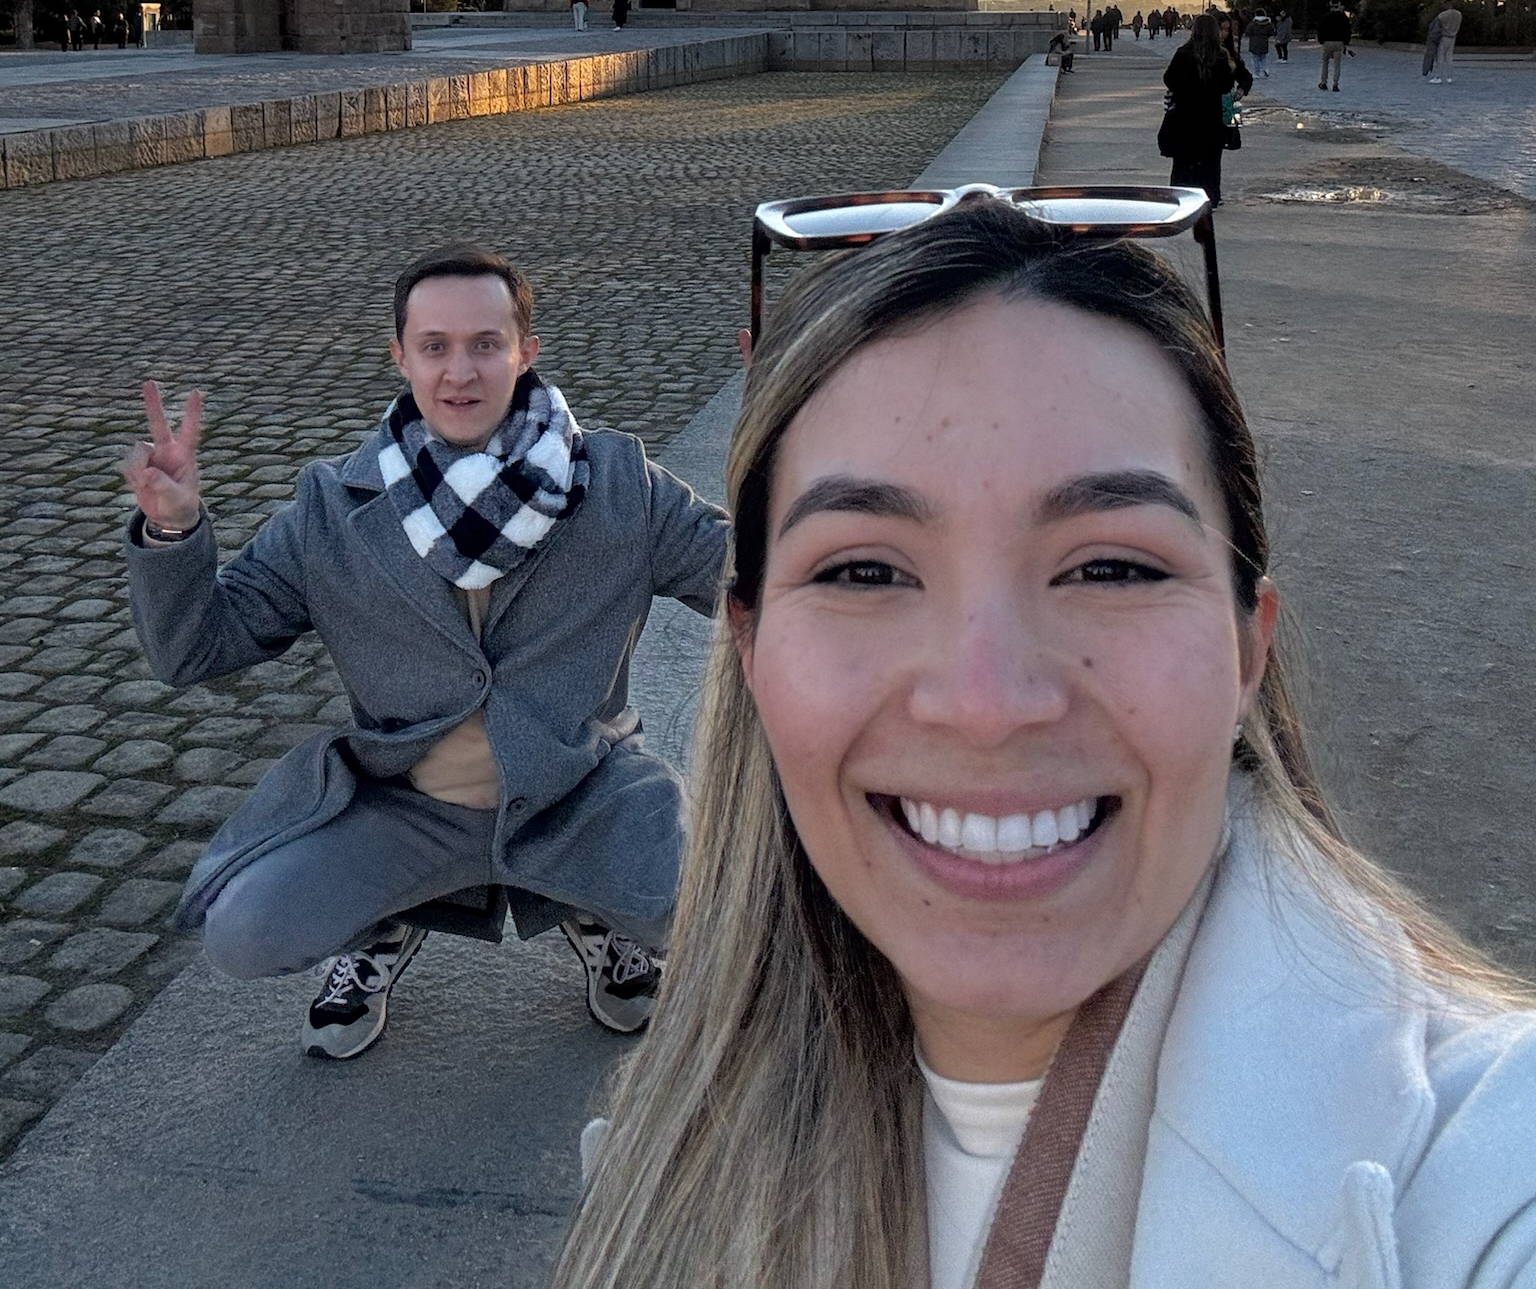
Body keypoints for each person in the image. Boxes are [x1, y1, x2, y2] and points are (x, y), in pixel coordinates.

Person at [550, 197, 1536, 1289]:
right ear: (749, 644)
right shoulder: (662, 1157)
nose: (987, 703)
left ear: (1246, 647)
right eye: (864, 571)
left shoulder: (1479, 1176)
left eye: (1111, 567)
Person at [121, 242, 729, 1060]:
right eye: (435, 346)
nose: (459, 371)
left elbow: (752, 579)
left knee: (722, 912)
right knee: (244, 931)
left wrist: (792, 433)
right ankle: (389, 914)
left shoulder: (620, 482)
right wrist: (173, 530)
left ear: (525, 351)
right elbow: (197, 647)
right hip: (407, 804)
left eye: (486, 343)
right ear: (400, 356)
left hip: (576, 792)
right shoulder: (333, 506)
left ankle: (597, 907)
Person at [1158, 10, 1250, 211]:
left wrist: (1185, 88)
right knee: (1211, 161)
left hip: (1185, 114)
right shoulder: (1221, 55)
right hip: (1211, 115)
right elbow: (1226, 85)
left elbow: (1169, 79)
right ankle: (1210, 198)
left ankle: (1181, 196)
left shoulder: (1183, 53)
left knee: (1183, 161)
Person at [1318, 0, 1353, 91]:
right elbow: (1348, 31)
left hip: (1327, 42)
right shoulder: (1343, 18)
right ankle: (1335, 84)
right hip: (1339, 42)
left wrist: (1321, 41)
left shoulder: (1325, 17)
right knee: (1337, 65)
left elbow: (1320, 30)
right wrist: (1345, 42)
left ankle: (1323, 82)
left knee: (1325, 63)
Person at [1424, 5, 1463, 84]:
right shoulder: (1459, 14)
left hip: (1444, 37)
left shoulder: (1443, 15)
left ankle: (1438, 76)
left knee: (1440, 57)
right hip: (1453, 37)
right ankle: (1449, 77)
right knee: (1449, 57)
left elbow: (1436, 26)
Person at [1245, 6, 1274, 78]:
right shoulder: (1268, 23)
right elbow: (1272, 32)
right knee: (1263, 57)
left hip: (1254, 42)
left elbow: (1248, 31)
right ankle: (1265, 69)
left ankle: (1256, 72)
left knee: (1255, 58)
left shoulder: (1253, 24)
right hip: (1264, 42)